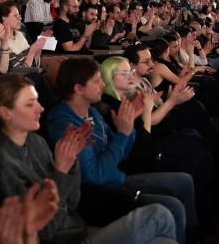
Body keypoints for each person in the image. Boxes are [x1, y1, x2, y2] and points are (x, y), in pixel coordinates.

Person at [0, 74, 178, 244]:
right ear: (5, 113)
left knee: (165, 240)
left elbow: (73, 201)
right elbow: (45, 231)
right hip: (65, 239)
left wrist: (71, 163)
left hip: (78, 227)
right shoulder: (1, 161)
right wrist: (62, 171)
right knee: (159, 214)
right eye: (30, 104)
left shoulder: (36, 142)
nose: (40, 108)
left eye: (38, 101)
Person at [47, 58, 198, 243]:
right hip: (97, 195)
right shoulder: (66, 124)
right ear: (78, 88)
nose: (103, 84)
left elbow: (122, 154)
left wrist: (128, 128)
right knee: (173, 207)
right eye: (96, 81)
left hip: (116, 177)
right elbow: (94, 176)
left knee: (184, 181)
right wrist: (123, 134)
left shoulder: (92, 112)